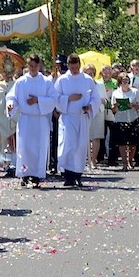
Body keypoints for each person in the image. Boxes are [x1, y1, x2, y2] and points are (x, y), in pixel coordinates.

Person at [8, 56, 55, 188]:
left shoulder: (46, 82)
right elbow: (13, 97)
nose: (33, 68)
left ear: (39, 66)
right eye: (30, 66)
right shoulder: (21, 82)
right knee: (25, 147)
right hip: (26, 119)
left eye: (35, 66)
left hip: (40, 119)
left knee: (39, 147)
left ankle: (36, 175)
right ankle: (24, 174)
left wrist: (38, 100)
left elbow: (53, 99)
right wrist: (11, 104)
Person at [55, 54, 98, 187]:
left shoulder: (87, 79)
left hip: (82, 117)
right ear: (67, 66)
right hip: (68, 117)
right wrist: (68, 98)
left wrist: (90, 106)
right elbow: (55, 97)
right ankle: (68, 176)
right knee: (69, 145)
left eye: (77, 67)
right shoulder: (62, 80)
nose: (74, 70)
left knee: (80, 147)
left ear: (80, 65)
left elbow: (95, 98)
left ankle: (78, 175)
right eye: (72, 67)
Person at [111, 72, 139, 172]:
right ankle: (124, 163)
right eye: (123, 82)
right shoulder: (116, 93)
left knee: (132, 142)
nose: (125, 84)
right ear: (119, 83)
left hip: (133, 118)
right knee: (122, 143)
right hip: (120, 119)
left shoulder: (135, 92)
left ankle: (130, 160)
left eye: (127, 82)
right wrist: (117, 105)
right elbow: (113, 109)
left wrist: (133, 106)